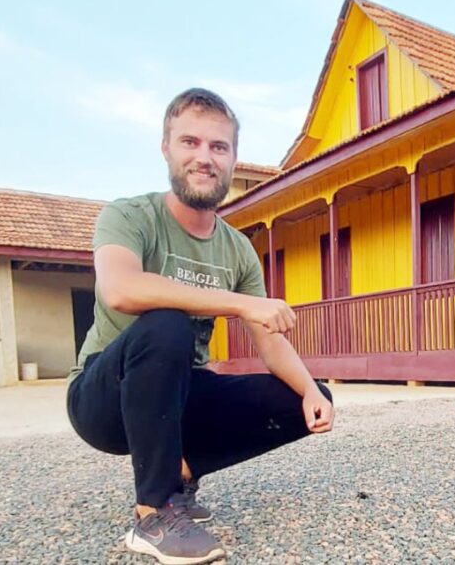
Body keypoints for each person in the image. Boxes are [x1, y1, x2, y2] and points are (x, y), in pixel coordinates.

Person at [66, 88, 334, 564]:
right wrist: (238, 303)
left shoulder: (236, 249)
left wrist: (312, 391)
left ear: (232, 161)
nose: (204, 158)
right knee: (167, 323)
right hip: (105, 397)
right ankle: (154, 513)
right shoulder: (129, 215)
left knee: (307, 395)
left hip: (180, 397)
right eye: (190, 142)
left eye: (218, 147)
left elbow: (271, 345)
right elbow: (122, 290)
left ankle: (180, 473)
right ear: (166, 147)